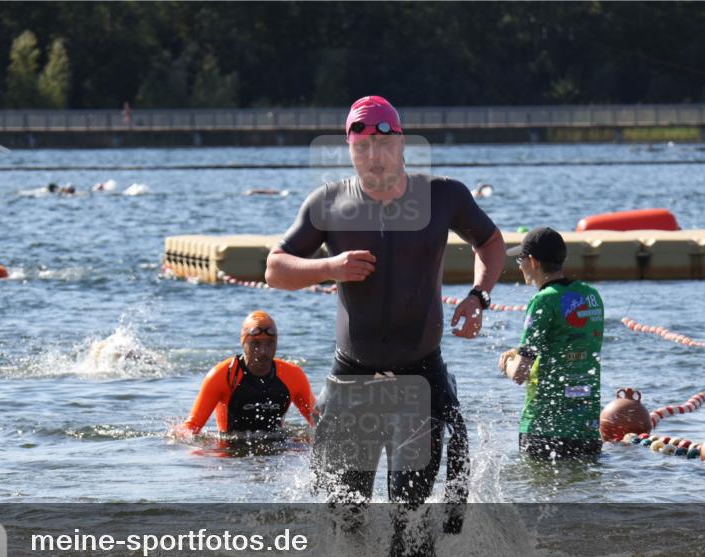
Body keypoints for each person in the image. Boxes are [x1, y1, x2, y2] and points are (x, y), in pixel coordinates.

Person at [265, 95, 505, 515]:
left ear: (402, 144)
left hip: (420, 374)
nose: (373, 157)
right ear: (349, 150)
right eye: (361, 148)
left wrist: (478, 295)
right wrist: (329, 266)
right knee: (344, 513)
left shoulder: (442, 196)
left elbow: (489, 241)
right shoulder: (329, 203)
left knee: (409, 513)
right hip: (353, 379)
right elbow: (275, 269)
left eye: (383, 145)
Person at [499, 227, 604, 461]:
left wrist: (507, 362)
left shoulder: (543, 301)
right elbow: (569, 341)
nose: (519, 265)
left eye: (520, 259)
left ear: (533, 262)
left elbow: (520, 373)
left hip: (545, 429)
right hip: (586, 429)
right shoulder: (591, 295)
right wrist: (520, 351)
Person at [176, 311, 315, 437]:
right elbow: (192, 426)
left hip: (278, 450)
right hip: (230, 453)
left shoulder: (293, 376)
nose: (263, 351)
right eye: (255, 343)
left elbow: (322, 424)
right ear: (243, 343)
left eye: (270, 343)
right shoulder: (222, 375)